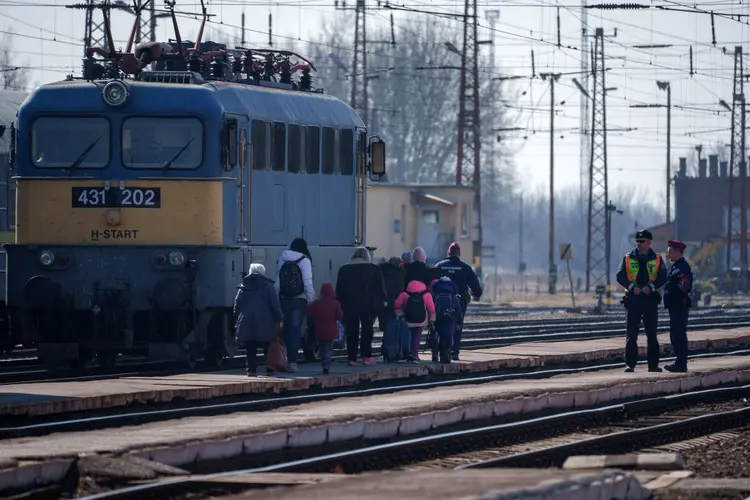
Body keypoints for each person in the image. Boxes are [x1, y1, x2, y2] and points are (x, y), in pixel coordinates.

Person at [615, 229, 668, 373]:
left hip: (650, 301)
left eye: (642, 241)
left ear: (649, 242)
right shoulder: (628, 257)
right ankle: (630, 365)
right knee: (631, 335)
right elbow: (620, 276)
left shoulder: (657, 259)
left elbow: (663, 277)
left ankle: (653, 365)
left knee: (652, 335)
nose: (639, 244)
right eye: (637, 241)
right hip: (633, 301)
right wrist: (632, 287)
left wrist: (651, 287)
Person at [335, 247, 387, 366]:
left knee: (351, 331)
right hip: (368, 306)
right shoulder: (374, 269)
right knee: (367, 331)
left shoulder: (344, 270)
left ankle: (351, 358)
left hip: (349, 305)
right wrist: (383, 301)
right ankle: (366, 356)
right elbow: (380, 288)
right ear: (367, 256)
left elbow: (339, 290)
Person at [434, 242, 483, 360]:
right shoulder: (464, 267)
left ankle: (440, 349)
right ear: (459, 253)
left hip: (440, 302)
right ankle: (454, 351)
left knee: (439, 324)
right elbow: (475, 283)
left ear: (448, 253)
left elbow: (431, 280)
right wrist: (477, 294)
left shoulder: (439, 265)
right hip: (459, 302)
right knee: (457, 324)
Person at [233, 263, 283, 377]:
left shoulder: (243, 287)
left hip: (247, 320)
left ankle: (251, 371)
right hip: (266, 321)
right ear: (263, 272)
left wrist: (238, 317)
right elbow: (274, 305)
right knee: (267, 347)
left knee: (250, 347)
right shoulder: (268, 286)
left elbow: (237, 304)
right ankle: (269, 371)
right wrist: (279, 318)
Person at [274, 237, 315, 373]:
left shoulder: (282, 258)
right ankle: (292, 363)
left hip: (284, 299)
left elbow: (278, 282)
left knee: (284, 331)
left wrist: (275, 300)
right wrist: (311, 302)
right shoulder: (304, 260)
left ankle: (282, 360)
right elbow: (308, 283)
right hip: (299, 300)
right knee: (295, 331)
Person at [663, 240, 693, 373]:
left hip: (679, 306)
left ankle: (681, 364)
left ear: (677, 252)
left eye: (670, 252)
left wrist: (674, 297)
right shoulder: (676, 266)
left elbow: (684, 286)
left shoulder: (683, 267)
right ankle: (679, 362)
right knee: (675, 334)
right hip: (674, 307)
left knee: (678, 335)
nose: (668, 255)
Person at [394, 278, 436, 363]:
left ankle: (407, 353)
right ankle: (415, 356)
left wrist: (400, 313)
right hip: (421, 320)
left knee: (407, 336)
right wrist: (432, 318)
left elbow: (397, 304)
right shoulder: (426, 295)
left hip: (408, 319)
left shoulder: (405, 294)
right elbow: (431, 307)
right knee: (416, 338)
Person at [306, 282, 344, 375]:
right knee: (328, 348)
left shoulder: (316, 303)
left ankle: (323, 361)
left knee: (323, 347)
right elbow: (340, 315)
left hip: (319, 330)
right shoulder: (335, 303)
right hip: (331, 331)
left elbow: (310, 314)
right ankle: (326, 365)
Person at [430, 277, 463, 363]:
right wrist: (459, 322)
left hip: (437, 318)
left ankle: (435, 353)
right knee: (448, 337)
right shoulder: (453, 297)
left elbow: (430, 307)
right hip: (450, 319)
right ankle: (446, 355)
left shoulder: (435, 296)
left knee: (436, 335)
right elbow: (458, 311)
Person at [378, 256, 406, 337]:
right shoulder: (401, 272)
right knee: (393, 325)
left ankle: (385, 345)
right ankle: (389, 346)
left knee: (385, 325)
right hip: (396, 302)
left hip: (384, 301)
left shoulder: (382, 270)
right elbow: (401, 288)